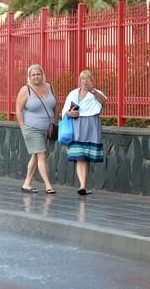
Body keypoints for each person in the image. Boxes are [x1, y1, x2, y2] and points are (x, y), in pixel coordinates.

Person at [61, 69, 107, 195]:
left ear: (92, 81)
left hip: (91, 125)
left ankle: (83, 185)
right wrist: (70, 113)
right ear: (79, 81)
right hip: (77, 125)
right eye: (83, 78)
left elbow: (104, 101)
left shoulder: (95, 93)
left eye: (88, 79)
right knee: (80, 156)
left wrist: (93, 90)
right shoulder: (73, 93)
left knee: (86, 157)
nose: (85, 81)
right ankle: (82, 185)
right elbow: (64, 110)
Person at [15, 64, 58, 194]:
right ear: (29, 77)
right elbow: (18, 109)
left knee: (36, 156)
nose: (36, 77)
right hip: (32, 128)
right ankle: (48, 185)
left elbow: (55, 106)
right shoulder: (25, 90)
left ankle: (27, 183)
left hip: (48, 129)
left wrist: (55, 122)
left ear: (42, 74)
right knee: (42, 155)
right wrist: (23, 127)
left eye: (38, 74)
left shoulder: (49, 87)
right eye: (33, 75)